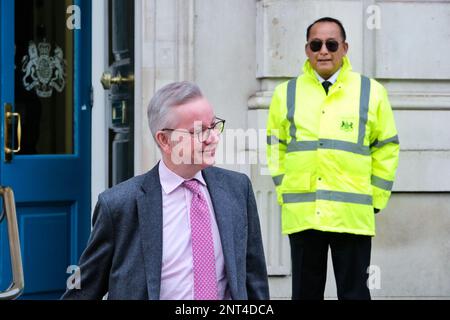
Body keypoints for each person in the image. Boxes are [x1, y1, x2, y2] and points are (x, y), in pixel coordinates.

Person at [62, 81, 269, 300]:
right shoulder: (119, 205)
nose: (213, 138)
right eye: (199, 131)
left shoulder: (237, 189)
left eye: (213, 125)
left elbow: (254, 279)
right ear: (164, 140)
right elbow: (82, 288)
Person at [266, 17, 399, 300]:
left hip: (351, 214)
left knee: (354, 294)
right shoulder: (285, 93)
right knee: (305, 293)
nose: (323, 51)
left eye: (331, 44)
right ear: (307, 50)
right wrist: (284, 189)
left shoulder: (371, 92)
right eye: (316, 45)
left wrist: (375, 198)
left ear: (345, 47)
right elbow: (275, 146)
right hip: (304, 213)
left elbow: (386, 147)